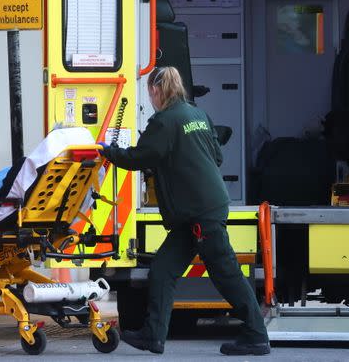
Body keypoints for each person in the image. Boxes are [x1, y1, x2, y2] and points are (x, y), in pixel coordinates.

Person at [99, 66, 270, 356]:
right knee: (163, 271)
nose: (151, 96)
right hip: (197, 213)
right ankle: (153, 336)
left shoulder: (164, 121)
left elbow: (140, 157)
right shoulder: (197, 115)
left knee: (225, 272)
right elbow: (216, 155)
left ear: (156, 91)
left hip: (200, 213)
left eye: (151, 92)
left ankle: (256, 334)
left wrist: (108, 151)